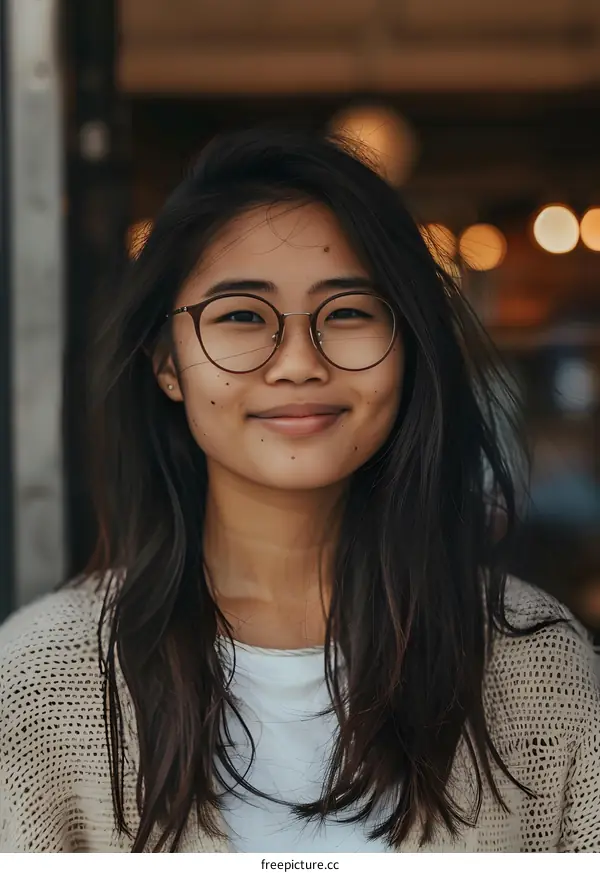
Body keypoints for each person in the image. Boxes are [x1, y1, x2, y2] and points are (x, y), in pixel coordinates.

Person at [1, 127, 599, 854]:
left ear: (407, 345)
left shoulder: (538, 669)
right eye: (242, 317)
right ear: (166, 361)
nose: (296, 362)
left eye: (347, 312)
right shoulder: (39, 683)